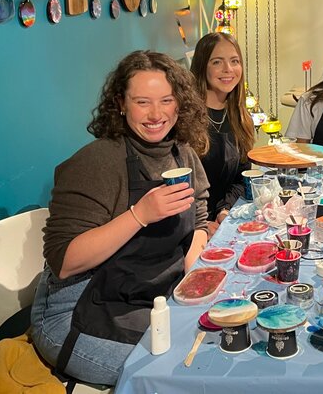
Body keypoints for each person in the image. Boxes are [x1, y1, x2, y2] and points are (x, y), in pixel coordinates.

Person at [31, 51, 210, 386]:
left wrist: (194, 273)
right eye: (142, 102)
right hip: (79, 312)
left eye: (166, 100)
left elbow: (199, 214)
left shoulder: (180, 152)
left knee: (215, 346)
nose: (156, 114)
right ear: (121, 103)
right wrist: (140, 214)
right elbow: (65, 261)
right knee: (184, 375)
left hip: (147, 295)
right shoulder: (98, 162)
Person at [190, 33, 254, 232]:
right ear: (202, 66)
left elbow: (241, 178)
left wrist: (224, 209)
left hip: (222, 222)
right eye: (217, 62)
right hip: (187, 227)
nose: (228, 69)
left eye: (234, 61)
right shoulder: (184, 118)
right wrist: (200, 225)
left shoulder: (240, 117)